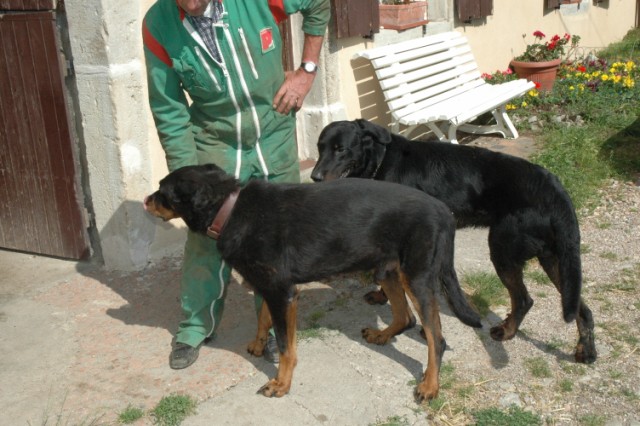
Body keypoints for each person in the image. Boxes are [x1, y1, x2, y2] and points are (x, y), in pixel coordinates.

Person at [142, 0, 330, 369]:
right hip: (215, 141)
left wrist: (307, 70)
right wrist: (184, 186)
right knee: (204, 240)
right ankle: (195, 327)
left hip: (273, 131)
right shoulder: (157, 24)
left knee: (277, 239)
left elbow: (318, 5)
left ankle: (275, 327)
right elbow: (169, 109)